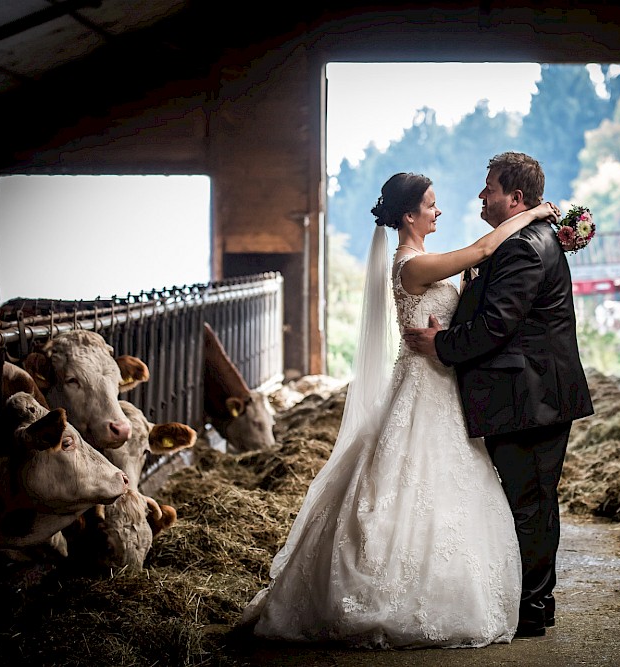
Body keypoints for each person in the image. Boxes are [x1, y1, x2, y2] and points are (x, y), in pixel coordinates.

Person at [240, 172, 561, 648]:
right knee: (404, 482)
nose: (438, 211)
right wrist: (534, 215)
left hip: (441, 383)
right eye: (431, 205)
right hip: (422, 384)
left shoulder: (423, 262)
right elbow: (480, 250)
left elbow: (471, 272)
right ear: (409, 215)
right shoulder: (411, 266)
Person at [402, 152, 595, 638]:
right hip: (532, 395)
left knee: (528, 503)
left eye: (488, 188)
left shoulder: (523, 247)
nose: (480, 196)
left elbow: (496, 325)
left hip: (529, 398)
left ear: (516, 198)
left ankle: (531, 609)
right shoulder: (523, 240)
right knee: (533, 500)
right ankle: (537, 603)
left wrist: (441, 344)